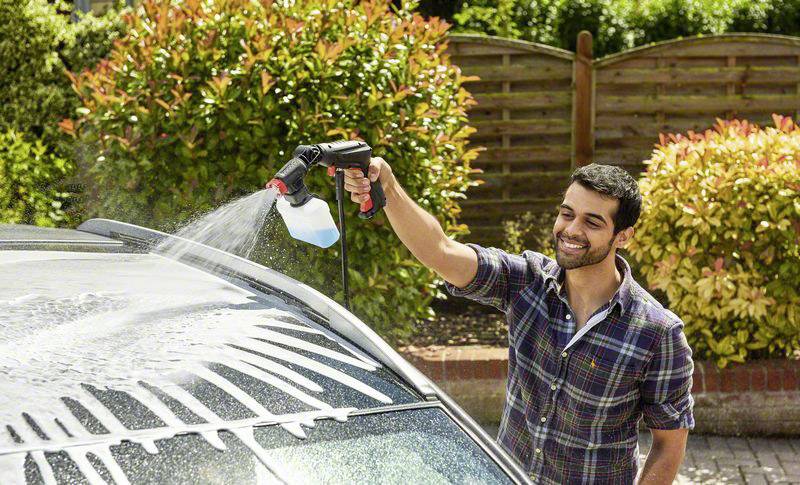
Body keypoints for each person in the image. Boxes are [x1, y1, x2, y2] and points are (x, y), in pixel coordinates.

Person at [342, 159, 694, 484]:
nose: (571, 230)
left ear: (623, 236)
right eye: (566, 213)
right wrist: (387, 187)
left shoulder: (657, 332)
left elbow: (668, 442)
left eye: (592, 221)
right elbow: (441, 251)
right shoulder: (526, 282)